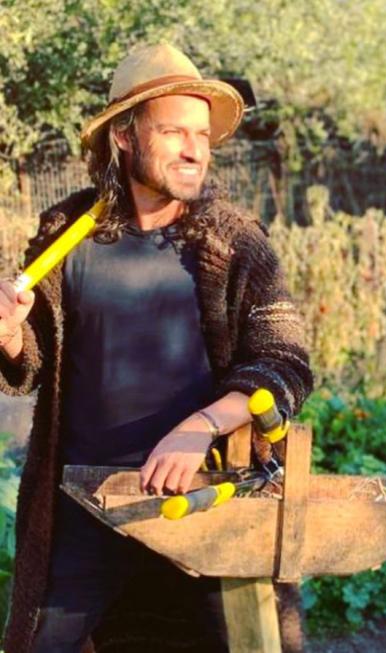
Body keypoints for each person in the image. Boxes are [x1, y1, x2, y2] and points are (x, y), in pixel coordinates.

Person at [0, 43, 314, 653]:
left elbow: (285, 362)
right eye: (174, 132)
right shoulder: (66, 234)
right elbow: (35, 359)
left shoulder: (234, 241)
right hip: (88, 502)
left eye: (202, 135)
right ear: (124, 135)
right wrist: (12, 335)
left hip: (207, 502)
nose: (195, 150)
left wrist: (202, 425)